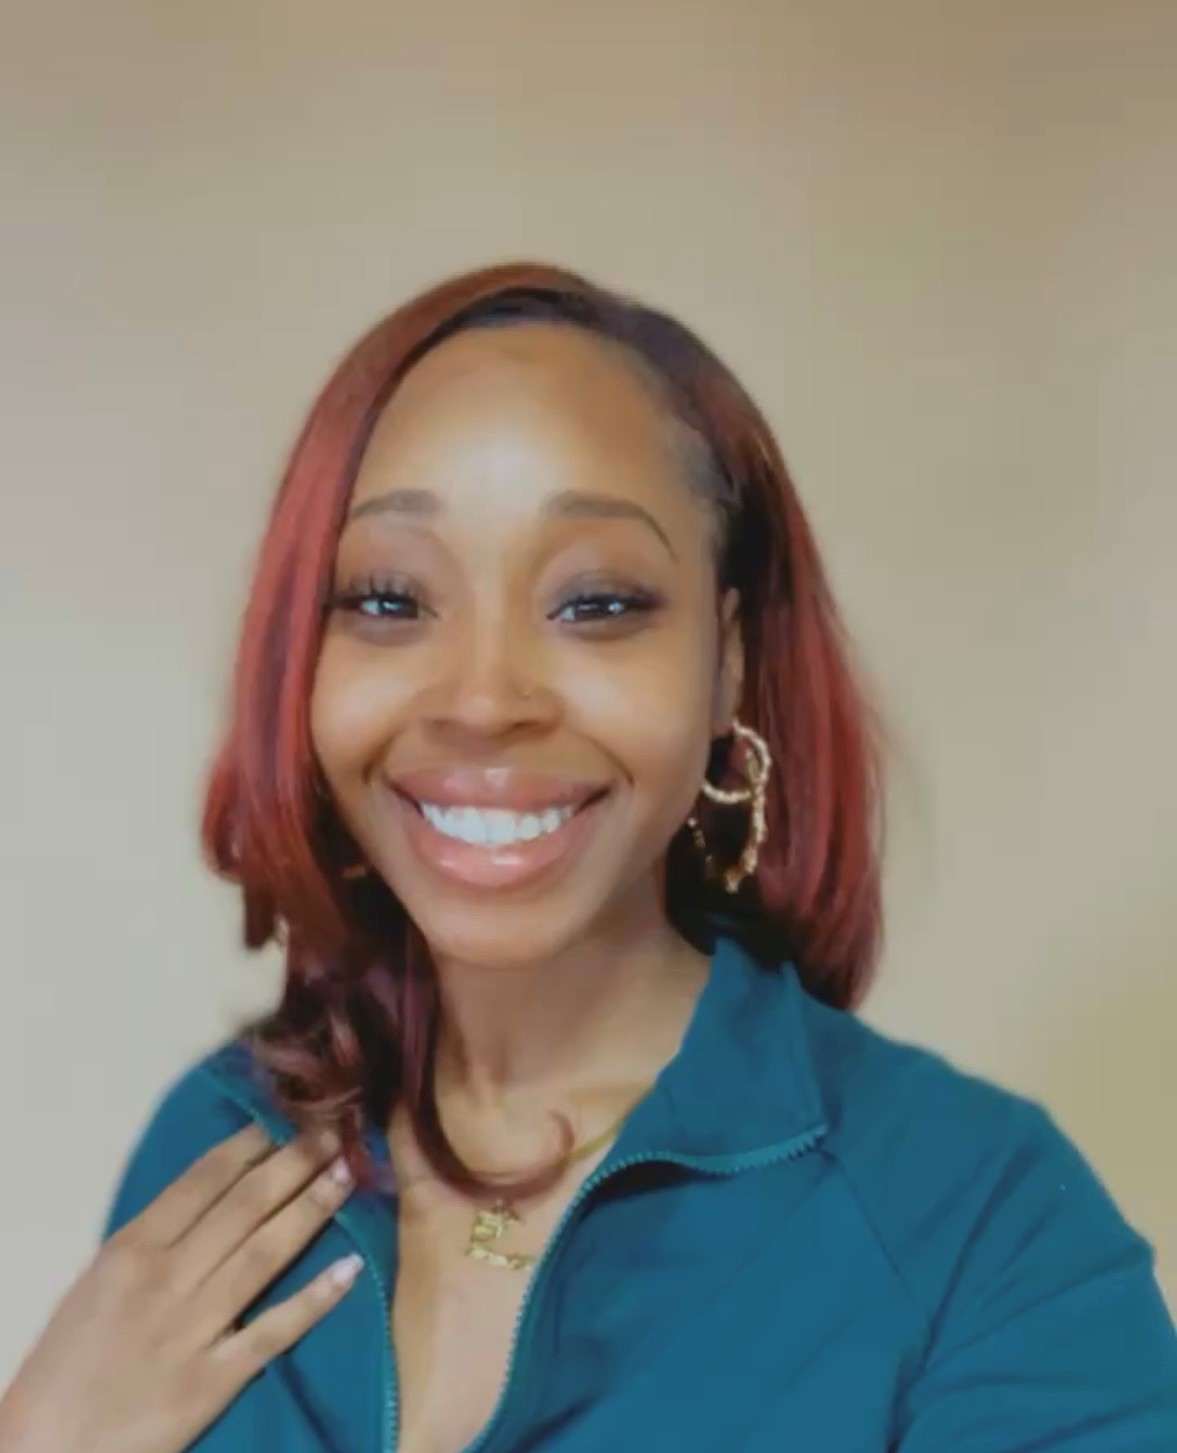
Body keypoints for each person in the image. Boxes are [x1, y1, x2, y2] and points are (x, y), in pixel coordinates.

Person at [2, 263, 1174, 1453]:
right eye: (392, 599)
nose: (484, 696)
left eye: (597, 602)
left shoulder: (985, 1230)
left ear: (723, 664)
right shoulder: (215, 1141)